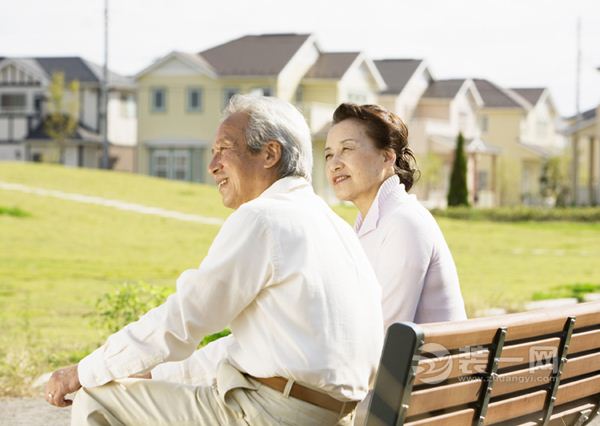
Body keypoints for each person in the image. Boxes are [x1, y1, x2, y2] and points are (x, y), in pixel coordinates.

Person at [45, 95, 384, 426]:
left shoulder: (263, 218)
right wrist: (153, 372)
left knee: (96, 398)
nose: (212, 167)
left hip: (272, 414)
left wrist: (83, 372)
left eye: (224, 149)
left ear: (269, 153)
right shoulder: (333, 226)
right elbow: (248, 347)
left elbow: (183, 319)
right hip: (333, 415)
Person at [324, 103, 466, 328]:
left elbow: (386, 331)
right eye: (329, 155)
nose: (334, 164)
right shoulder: (368, 226)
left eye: (347, 149)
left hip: (425, 362)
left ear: (387, 157)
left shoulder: (404, 223)